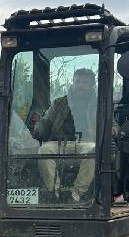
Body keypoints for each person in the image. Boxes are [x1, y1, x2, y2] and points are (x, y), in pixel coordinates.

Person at [31, 68, 98, 201]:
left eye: (85, 82)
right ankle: (53, 192)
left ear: (92, 85)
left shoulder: (99, 104)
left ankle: (77, 193)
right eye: (77, 81)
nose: (80, 85)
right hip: (60, 143)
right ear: (73, 82)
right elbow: (46, 120)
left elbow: (112, 124)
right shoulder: (59, 103)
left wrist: (114, 131)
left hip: (87, 142)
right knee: (44, 150)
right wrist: (39, 128)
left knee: (92, 151)